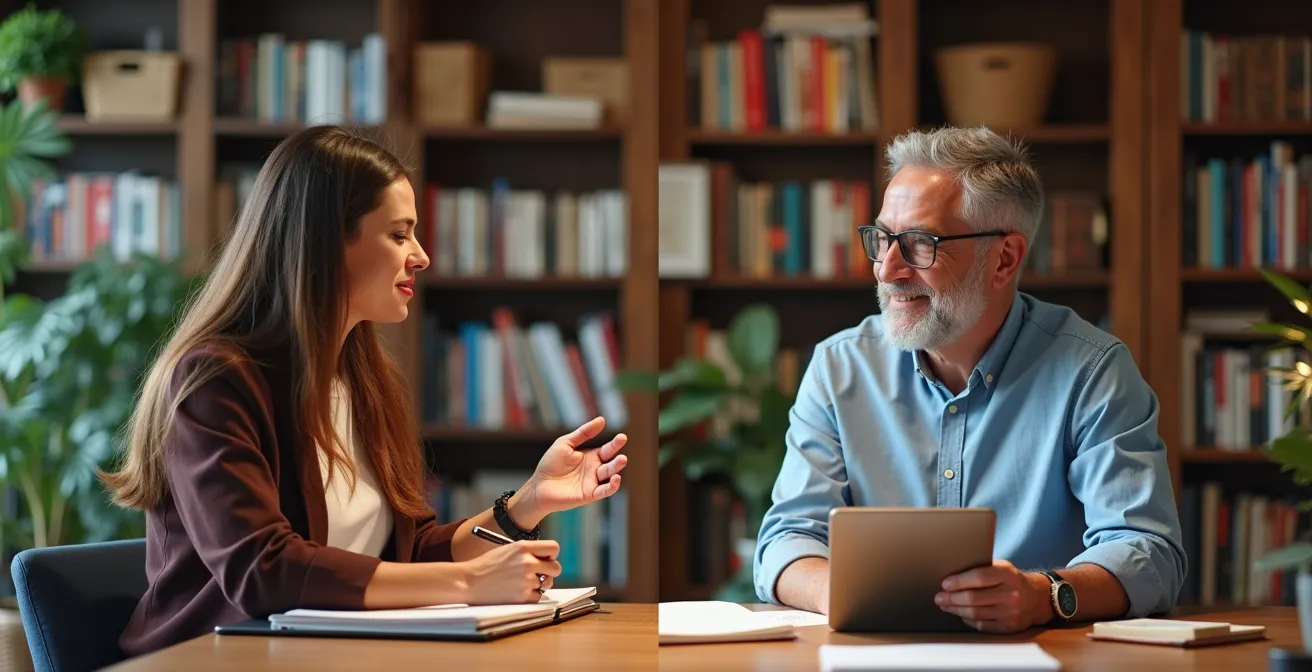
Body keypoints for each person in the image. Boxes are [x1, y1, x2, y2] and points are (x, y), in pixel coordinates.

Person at [99, 125, 629, 657]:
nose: (420, 256)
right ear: (326, 244)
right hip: (211, 661)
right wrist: (470, 584)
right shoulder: (215, 382)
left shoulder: (366, 382)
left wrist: (527, 502)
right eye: (399, 235)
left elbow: (410, 553)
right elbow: (265, 573)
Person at [753, 126, 1185, 634]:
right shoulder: (839, 366)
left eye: (918, 243)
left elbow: (1148, 552)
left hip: (1042, 659)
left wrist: (1042, 595)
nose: (887, 269)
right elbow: (786, 538)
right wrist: (845, 594)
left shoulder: (1092, 370)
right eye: (882, 238)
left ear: (1004, 259)